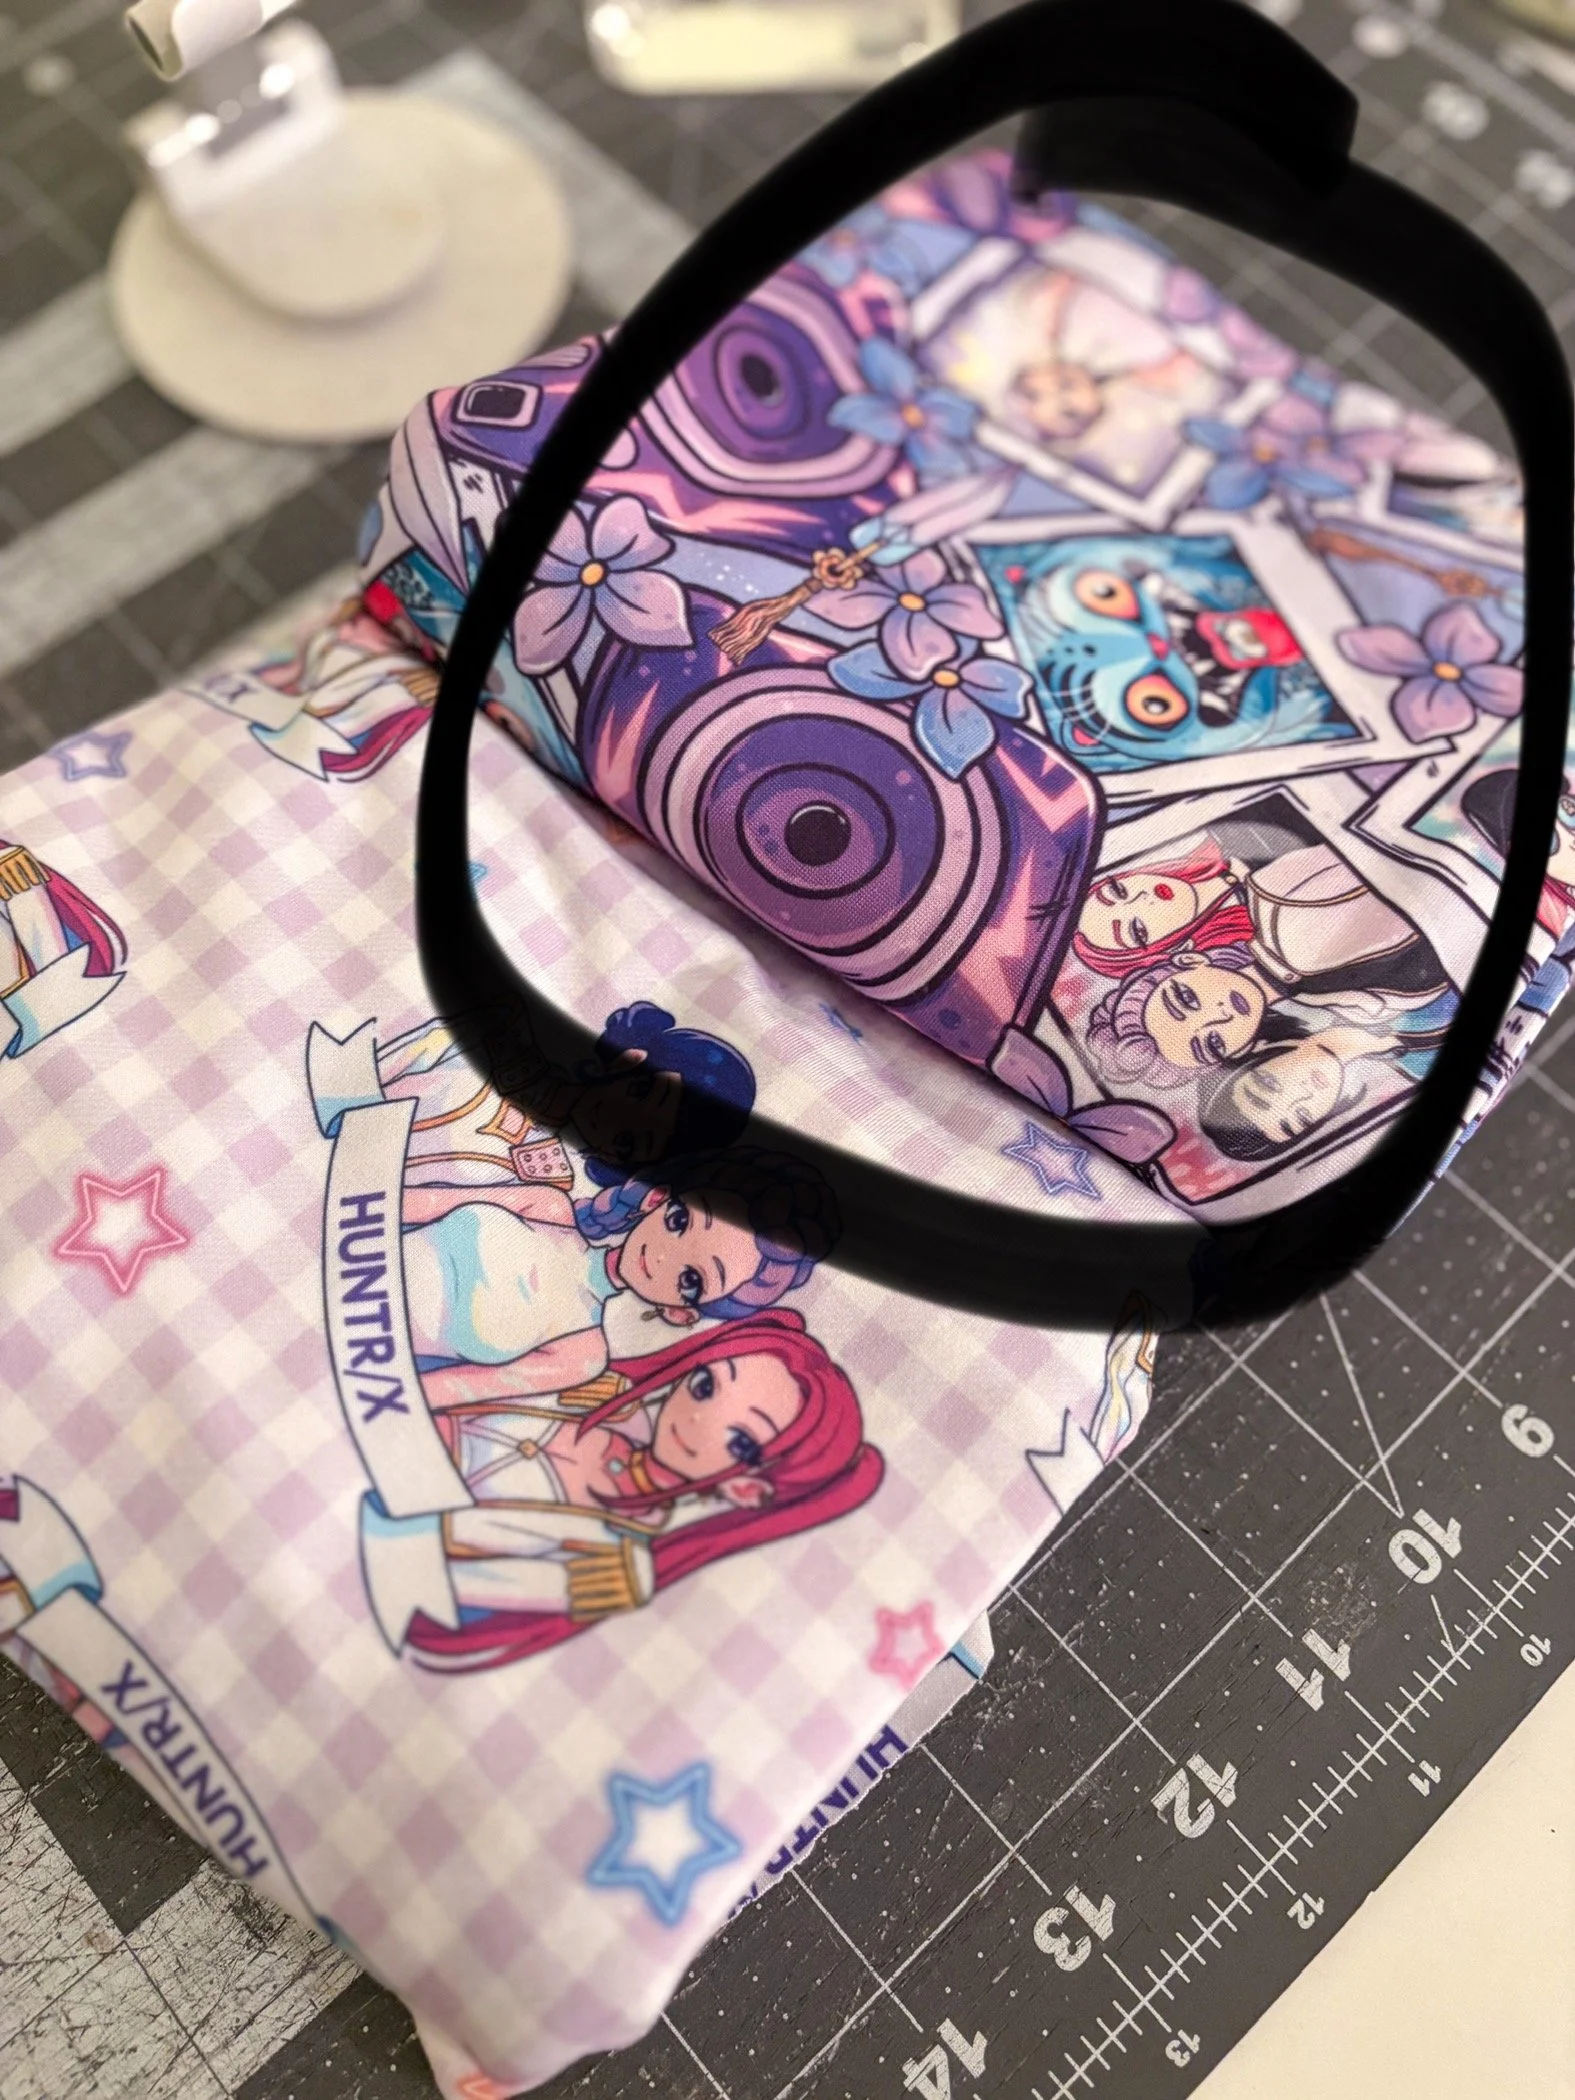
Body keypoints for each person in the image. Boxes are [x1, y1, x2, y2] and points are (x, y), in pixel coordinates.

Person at [395, 1311, 884, 1672]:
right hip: (395, 1434)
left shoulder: (617, 1553)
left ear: (748, 1490)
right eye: (704, 1385)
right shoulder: (601, 1405)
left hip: (405, 1533)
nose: (698, 1417)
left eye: (740, 1442)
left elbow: (447, 1590)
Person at [402, 1146, 838, 1407]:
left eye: (691, 1279)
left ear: (682, 1314)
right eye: (679, 1221)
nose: (664, 1256)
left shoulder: (581, 1354)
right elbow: (401, 1201)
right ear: (657, 1201)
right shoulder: (547, 1208)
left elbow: (437, 1392)